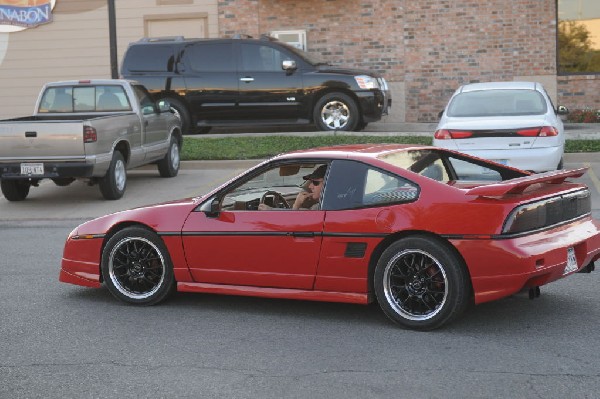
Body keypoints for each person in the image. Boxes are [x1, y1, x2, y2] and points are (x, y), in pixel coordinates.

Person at [258, 164, 327, 210]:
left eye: (315, 182)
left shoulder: (321, 208)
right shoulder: (326, 205)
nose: (310, 186)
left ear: (328, 183)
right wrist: (271, 210)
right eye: (310, 182)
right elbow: (306, 212)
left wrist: (297, 205)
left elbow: (296, 222)